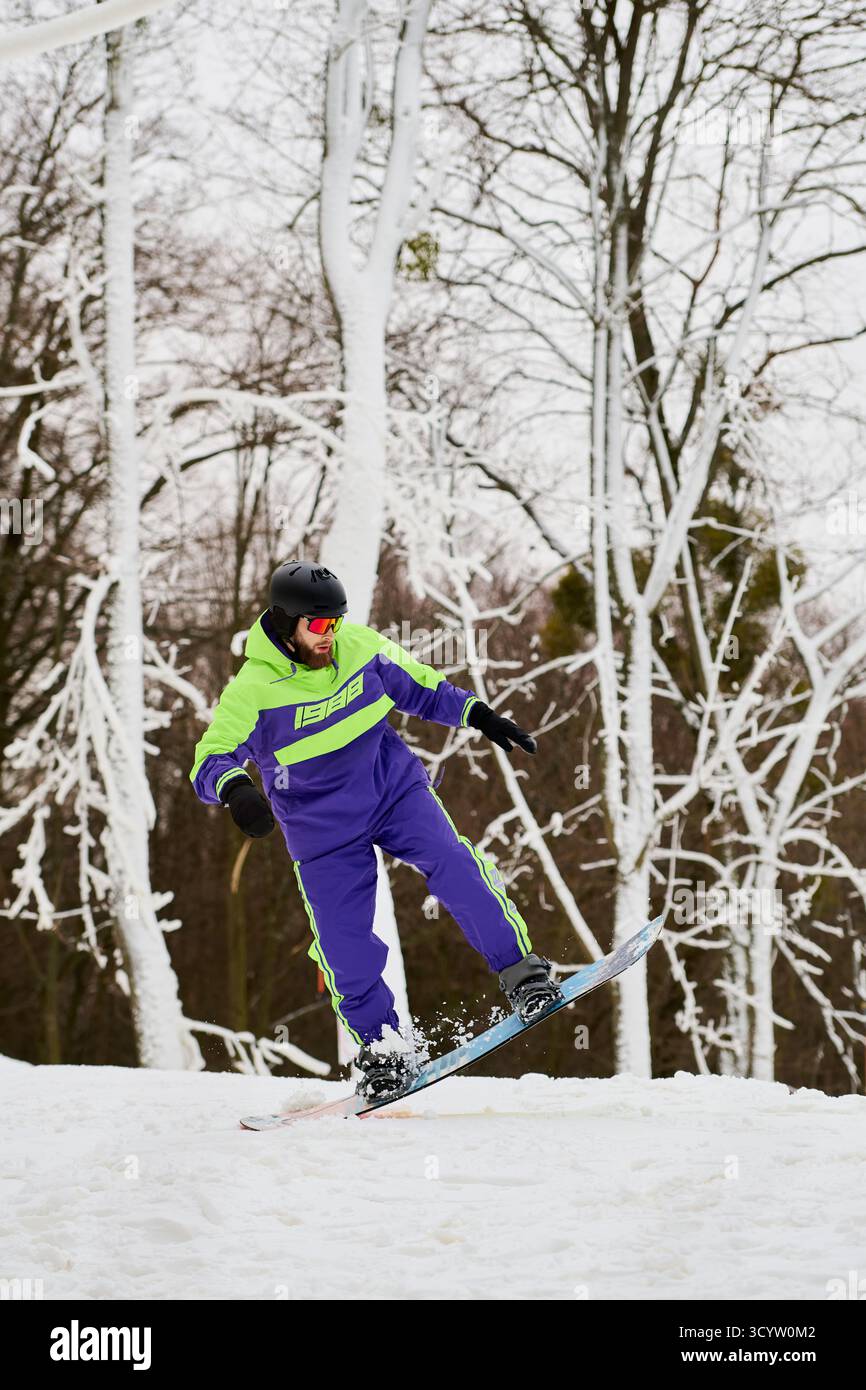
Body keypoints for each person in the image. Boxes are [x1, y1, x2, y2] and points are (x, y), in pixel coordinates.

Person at [190, 560, 561, 1099]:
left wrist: (482, 717)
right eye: (318, 626)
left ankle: (525, 977)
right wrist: (237, 790)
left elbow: (426, 690)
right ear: (286, 621)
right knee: (345, 944)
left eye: (336, 623)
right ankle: (385, 1050)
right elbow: (211, 757)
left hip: (393, 792)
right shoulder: (254, 689)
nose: (330, 635)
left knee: (455, 865)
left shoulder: (360, 648)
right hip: (321, 832)